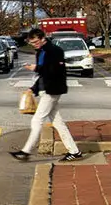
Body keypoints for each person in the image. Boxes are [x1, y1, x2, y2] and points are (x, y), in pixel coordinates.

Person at [10, 29, 81, 162]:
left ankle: (25, 151)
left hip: (53, 90)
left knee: (37, 120)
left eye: (36, 41)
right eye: (32, 43)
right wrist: (33, 88)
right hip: (46, 89)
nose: (35, 44)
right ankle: (74, 151)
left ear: (43, 38)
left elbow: (54, 71)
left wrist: (36, 68)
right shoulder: (40, 52)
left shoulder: (55, 51)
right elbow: (43, 75)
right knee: (57, 122)